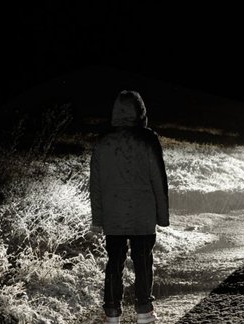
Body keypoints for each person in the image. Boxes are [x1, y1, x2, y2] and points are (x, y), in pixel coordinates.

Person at [90, 90, 169, 324]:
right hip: (142, 214)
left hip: (113, 215)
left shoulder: (103, 142)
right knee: (143, 260)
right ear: (140, 112)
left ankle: (112, 313)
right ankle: (144, 310)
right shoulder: (148, 139)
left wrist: (97, 219)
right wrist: (162, 216)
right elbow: (159, 179)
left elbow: (95, 185)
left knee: (114, 261)